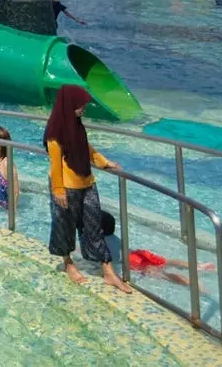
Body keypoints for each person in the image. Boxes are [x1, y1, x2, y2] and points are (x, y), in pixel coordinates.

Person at [44, 85, 131, 292]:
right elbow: (55, 164)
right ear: (69, 104)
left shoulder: (77, 126)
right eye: (80, 105)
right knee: (64, 226)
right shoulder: (55, 134)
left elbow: (87, 149)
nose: (83, 109)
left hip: (87, 182)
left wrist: (104, 162)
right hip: (65, 185)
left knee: (93, 226)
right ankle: (68, 264)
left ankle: (108, 271)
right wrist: (58, 190)